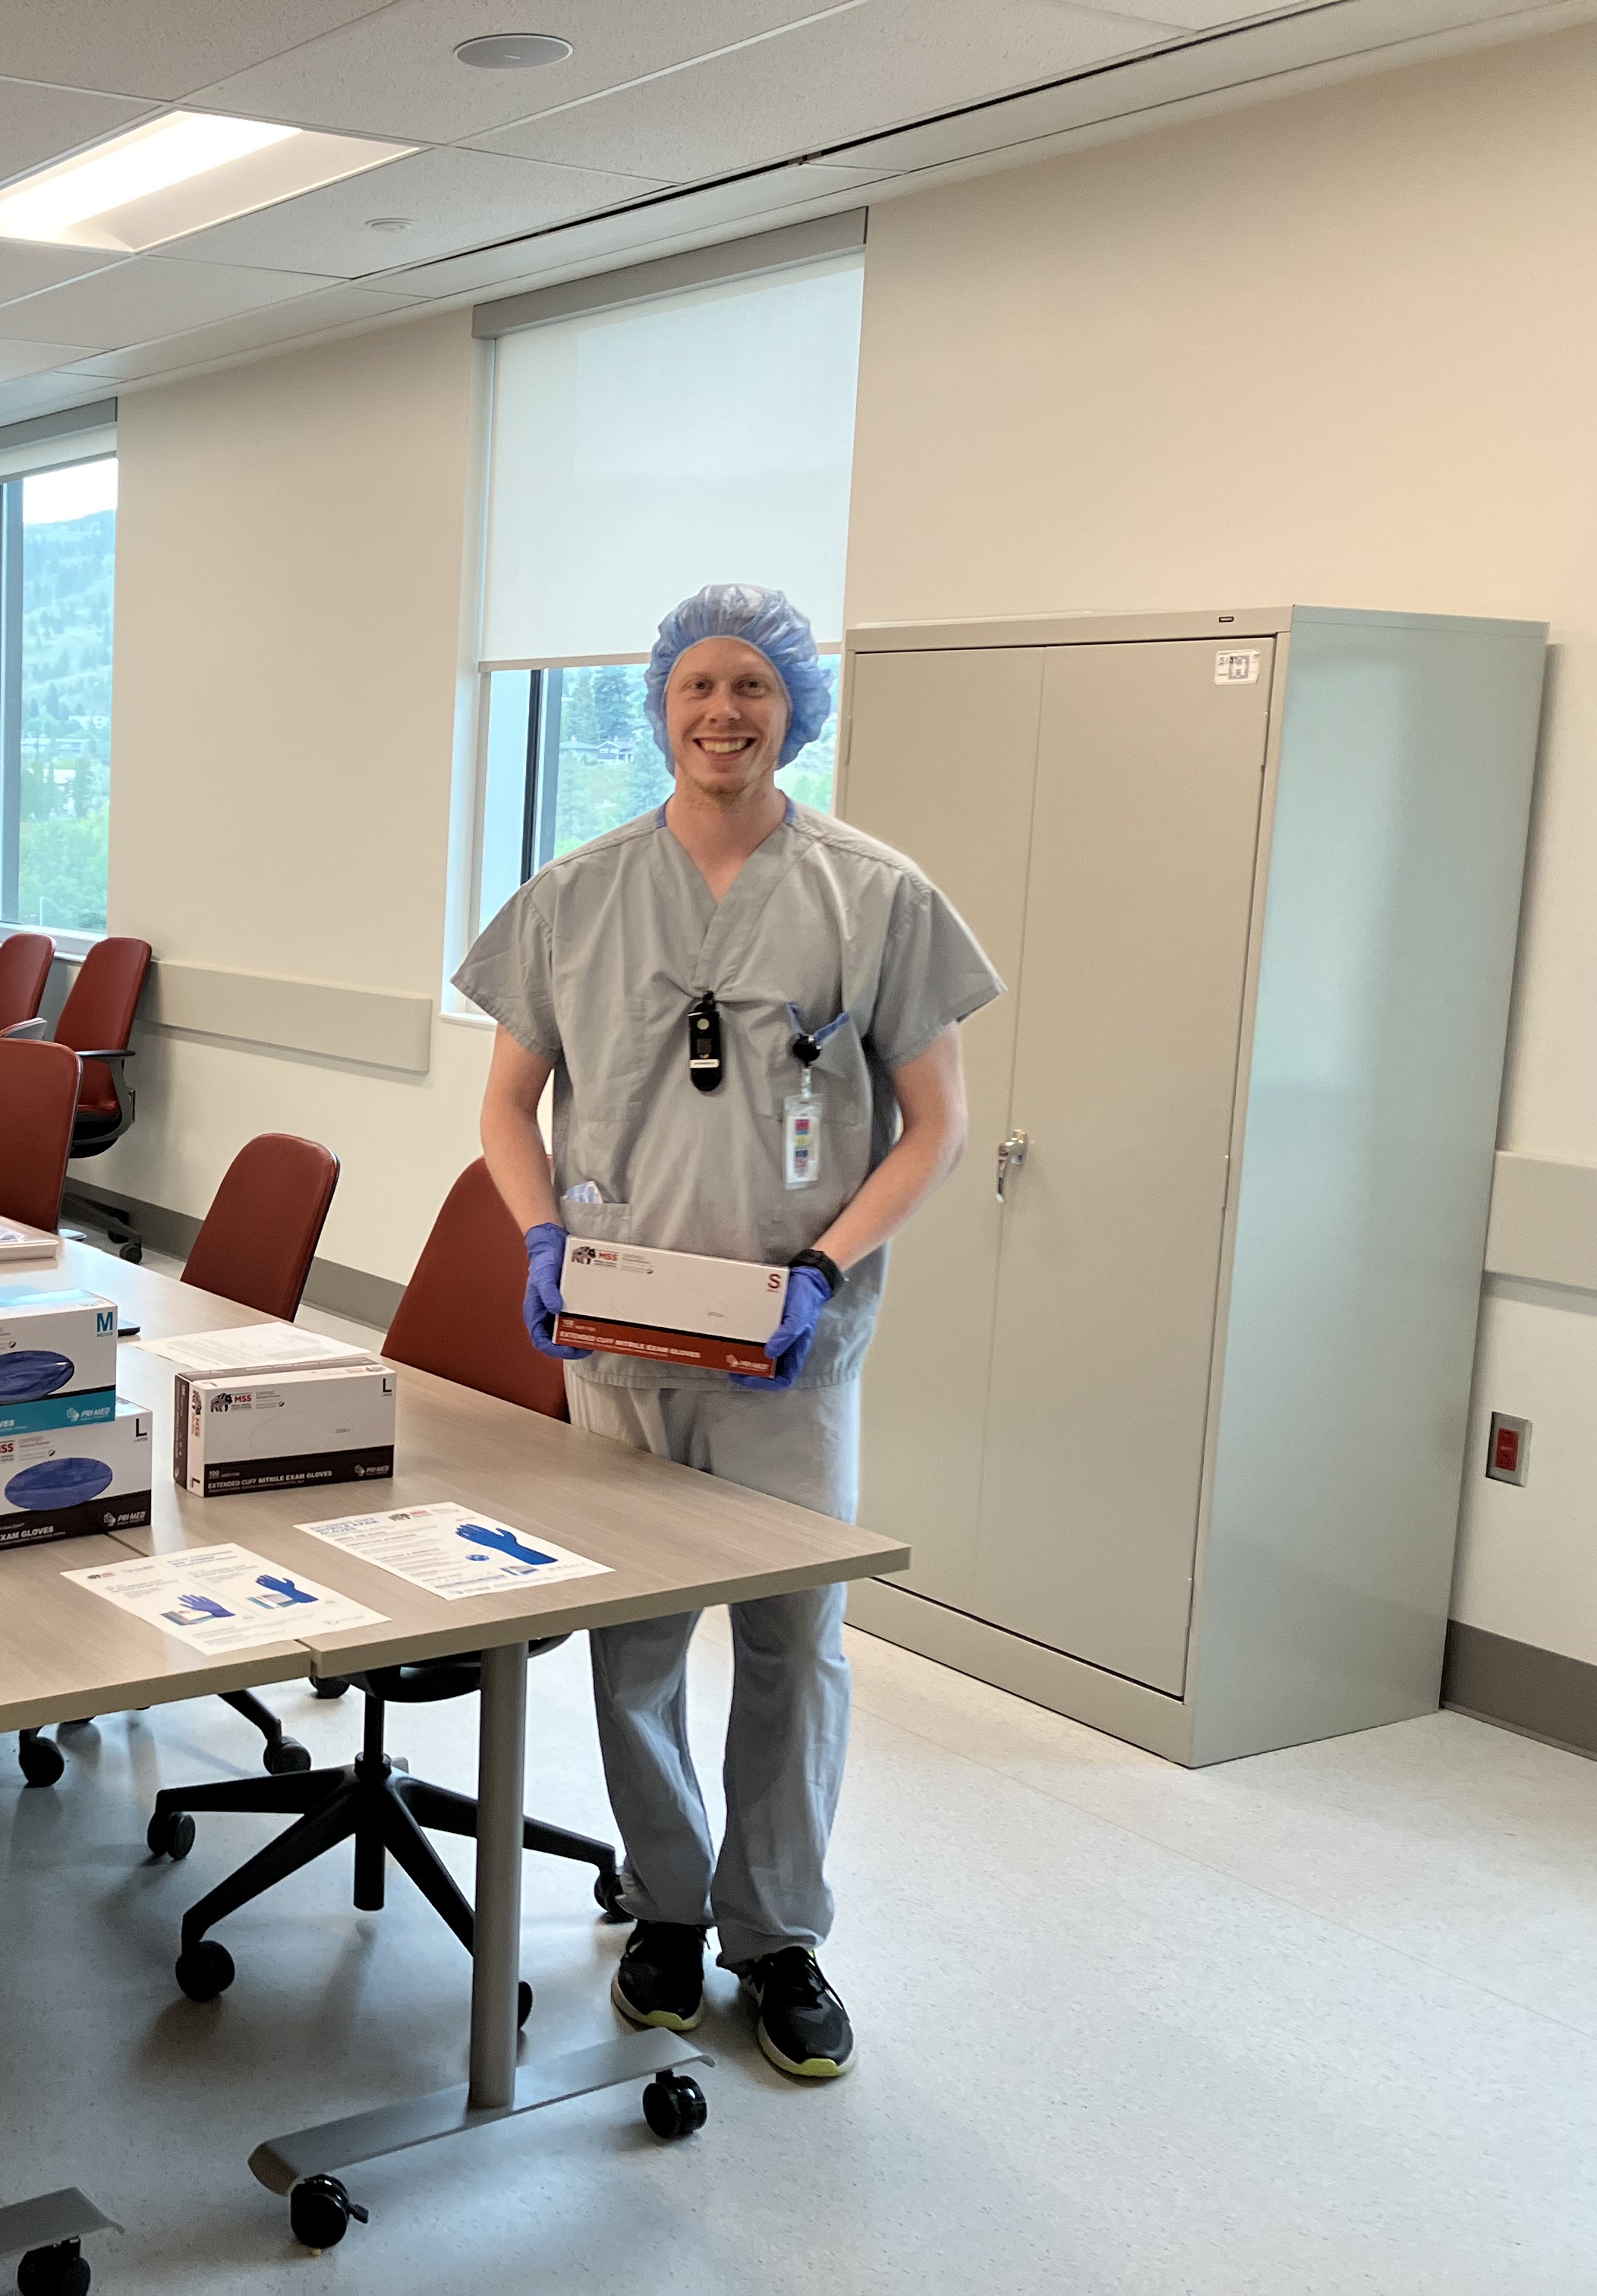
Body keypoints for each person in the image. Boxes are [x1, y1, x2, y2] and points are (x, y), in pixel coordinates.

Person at [455, 586, 999, 2082]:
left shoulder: (875, 897)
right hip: (621, 1344)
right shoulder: (575, 894)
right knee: (634, 1643)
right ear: (659, 705)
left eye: (753, 686)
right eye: (698, 684)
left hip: (786, 1348)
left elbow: (938, 1126)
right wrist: (543, 1238)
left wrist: (825, 1264)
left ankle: (781, 1934)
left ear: (795, 709)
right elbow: (508, 1105)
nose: (723, 713)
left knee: (793, 1642)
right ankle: (668, 1907)